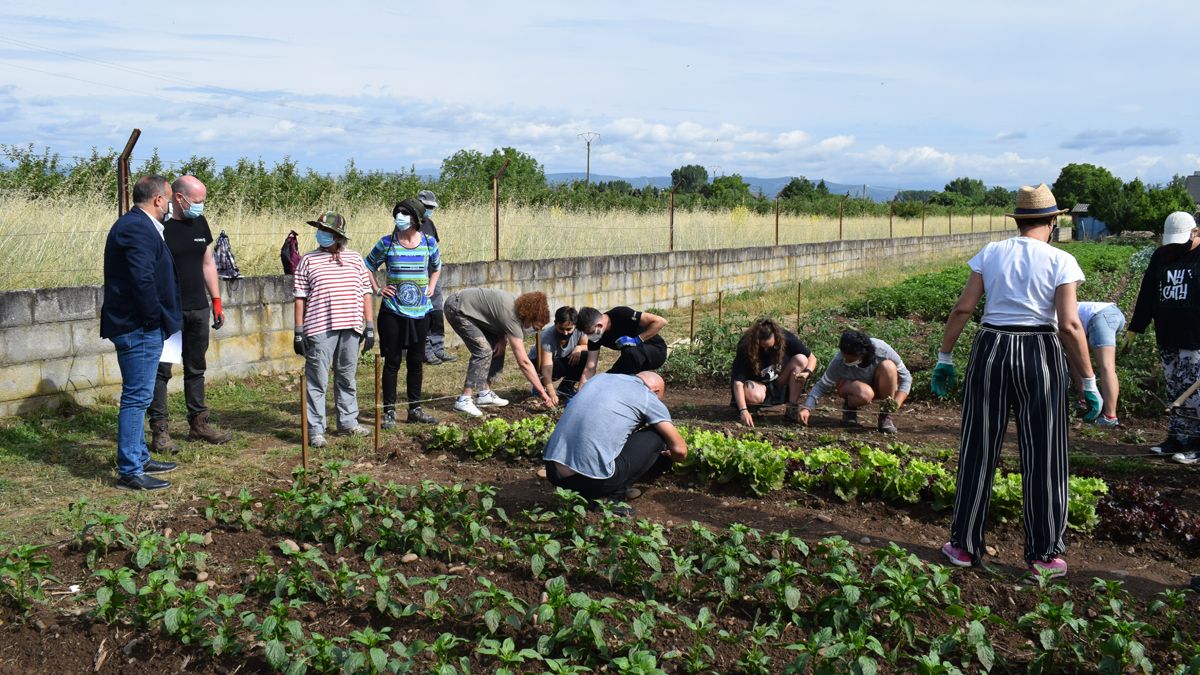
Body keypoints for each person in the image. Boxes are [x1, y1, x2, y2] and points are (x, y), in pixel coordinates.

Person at [931, 183, 1099, 579]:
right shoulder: (1062, 260)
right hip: (1039, 350)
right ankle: (1044, 554)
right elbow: (1070, 325)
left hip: (990, 348)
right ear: (1054, 221)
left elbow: (963, 308)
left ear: (1018, 220)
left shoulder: (991, 253)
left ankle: (964, 546)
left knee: (978, 447)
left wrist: (945, 357)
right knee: (1045, 453)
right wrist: (1088, 381)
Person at [100, 175, 182, 490]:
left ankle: (140, 455)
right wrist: (153, 321)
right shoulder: (136, 227)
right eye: (168, 199)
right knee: (136, 397)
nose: (170, 206)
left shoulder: (137, 224)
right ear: (158, 200)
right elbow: (142, 279)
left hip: (139, 324)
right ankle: (131, 470)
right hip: (138, 326)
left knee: (141, 394)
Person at [147, 175, 231, 453]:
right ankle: (160, 431)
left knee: (196, 367)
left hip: (198, 308)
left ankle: (199, 424)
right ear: (179, 198)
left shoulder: (200, 223)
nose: (201, 206)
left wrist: (216, 300)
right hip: (170, 312)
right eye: (197, 201)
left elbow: (208, 263)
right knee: (162, 371)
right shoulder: (159, 225)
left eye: (203, 201)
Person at [542, 371, 687, 513]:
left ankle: (585, 490)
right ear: (655, 391)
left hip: (553, 473)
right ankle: (612, 497)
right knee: (658, 435)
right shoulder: (647, 395)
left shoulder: (599, 379)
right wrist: (668, 457)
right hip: (591, 481)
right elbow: (680, 450)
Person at [293, 212, 375, 448]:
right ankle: (316, 429)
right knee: (317, 381)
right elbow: (300, 297)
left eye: (326, 231)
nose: (321, 234)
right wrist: (299, 331)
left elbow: (365, 292)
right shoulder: (307, 260)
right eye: (320, 229)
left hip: (351, 327)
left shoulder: (355, 259)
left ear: (339, 236)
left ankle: (348, 421)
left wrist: (369, 326)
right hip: (320, 327)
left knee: (346, 377)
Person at [1128, 211, 1200, 465]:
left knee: (1193, 394)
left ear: (1195, 233)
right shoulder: (1162, 255)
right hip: (1168, 334)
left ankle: (1196, 444)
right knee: (1174, 390)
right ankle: (1177, 438)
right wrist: (1136, 327)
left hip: (1196, 337)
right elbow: (1148, 291)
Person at [364, 199, 441, 427]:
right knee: (393, 361)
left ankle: (414, 409)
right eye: (397, 213)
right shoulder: (386, 243)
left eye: (405, 214)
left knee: (416, 361)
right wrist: (378, 289)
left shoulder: (429, 242)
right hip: (393, 312)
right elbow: (368, 265)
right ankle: (389, 411)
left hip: (421, 313)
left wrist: (432, 286)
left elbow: (436, 267)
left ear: (417, 218)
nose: (400, 217)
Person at [443, 288, 556, 416]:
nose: (533, 331)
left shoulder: (518, 307)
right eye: (535, 327)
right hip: (457, 307)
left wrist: (502, 338)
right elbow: (524, 362)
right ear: (529, 316)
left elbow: (497, 318)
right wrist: (543, 393)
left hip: (470, 309)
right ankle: (464, 400)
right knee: (483, 350)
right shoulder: (512, 318)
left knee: (498, 347)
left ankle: (484, 393)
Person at [798, 329, 910, 434]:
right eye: (844, 356)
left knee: (889, 366)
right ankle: (850, 407)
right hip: (852, 388)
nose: (845, 360)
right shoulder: (839, 361)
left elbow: (906, 378)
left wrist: (896, 403)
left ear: (861, 354)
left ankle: (885, 415)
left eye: (849, 359)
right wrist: (807, 407)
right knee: (866, 393)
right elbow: (822, 385)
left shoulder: (882, 351)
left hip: (879, 385)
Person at [730, 317, 818, 427]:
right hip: (758, 385)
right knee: (752, 392)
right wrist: (743, 410)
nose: (767, 350)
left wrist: (807, 372)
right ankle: (753, 409)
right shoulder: (745, 346)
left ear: (776, 338)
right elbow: (738, 382)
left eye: (770, 347)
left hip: (779, 381)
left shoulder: (786, 337)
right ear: (756, 342)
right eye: (763, 347)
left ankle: (792, 407)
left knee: (801, 359)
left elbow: (812, 358)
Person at [576, 306, 668, 386]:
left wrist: (637, 339)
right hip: (631, 358)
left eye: (590, 333)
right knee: (606, 381)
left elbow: (660, 321)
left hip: (655, 351)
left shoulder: (621, 314)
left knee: (629, 352)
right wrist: (580, 393)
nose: (589, 337)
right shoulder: (595, 337)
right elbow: (590, 367)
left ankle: (636, 385)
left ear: (599, 325)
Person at [416, 190, 455, 365]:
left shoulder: (430, 224)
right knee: (423, 313)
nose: (430, 210)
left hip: (433, 273)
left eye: (432, 207)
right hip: (418, 274)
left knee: (436, 312)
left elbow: (435, 250)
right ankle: (425, 350)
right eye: (427, 207)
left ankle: (438, 347)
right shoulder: (409, 225)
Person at [1072, 301, 1125, 427]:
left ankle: (1110, 417)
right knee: (1074, 357)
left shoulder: (1051, 315)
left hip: (1100, 317)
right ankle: (1084, 401)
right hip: (1112, 314)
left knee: (1107, 366)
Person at [531, 306, 589, 400]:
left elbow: (587, 346)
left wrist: (579, 348)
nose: (565, 333)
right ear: (555, 323)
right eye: (561, 329)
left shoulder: (579, 330)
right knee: (549, 367)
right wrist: (552, 394)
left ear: (575, 325)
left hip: (560, 359)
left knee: (585, 355)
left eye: (569, 329)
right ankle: (539, 386)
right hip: (540, 362)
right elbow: (547, 368)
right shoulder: (547, 337)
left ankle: (566, 387)